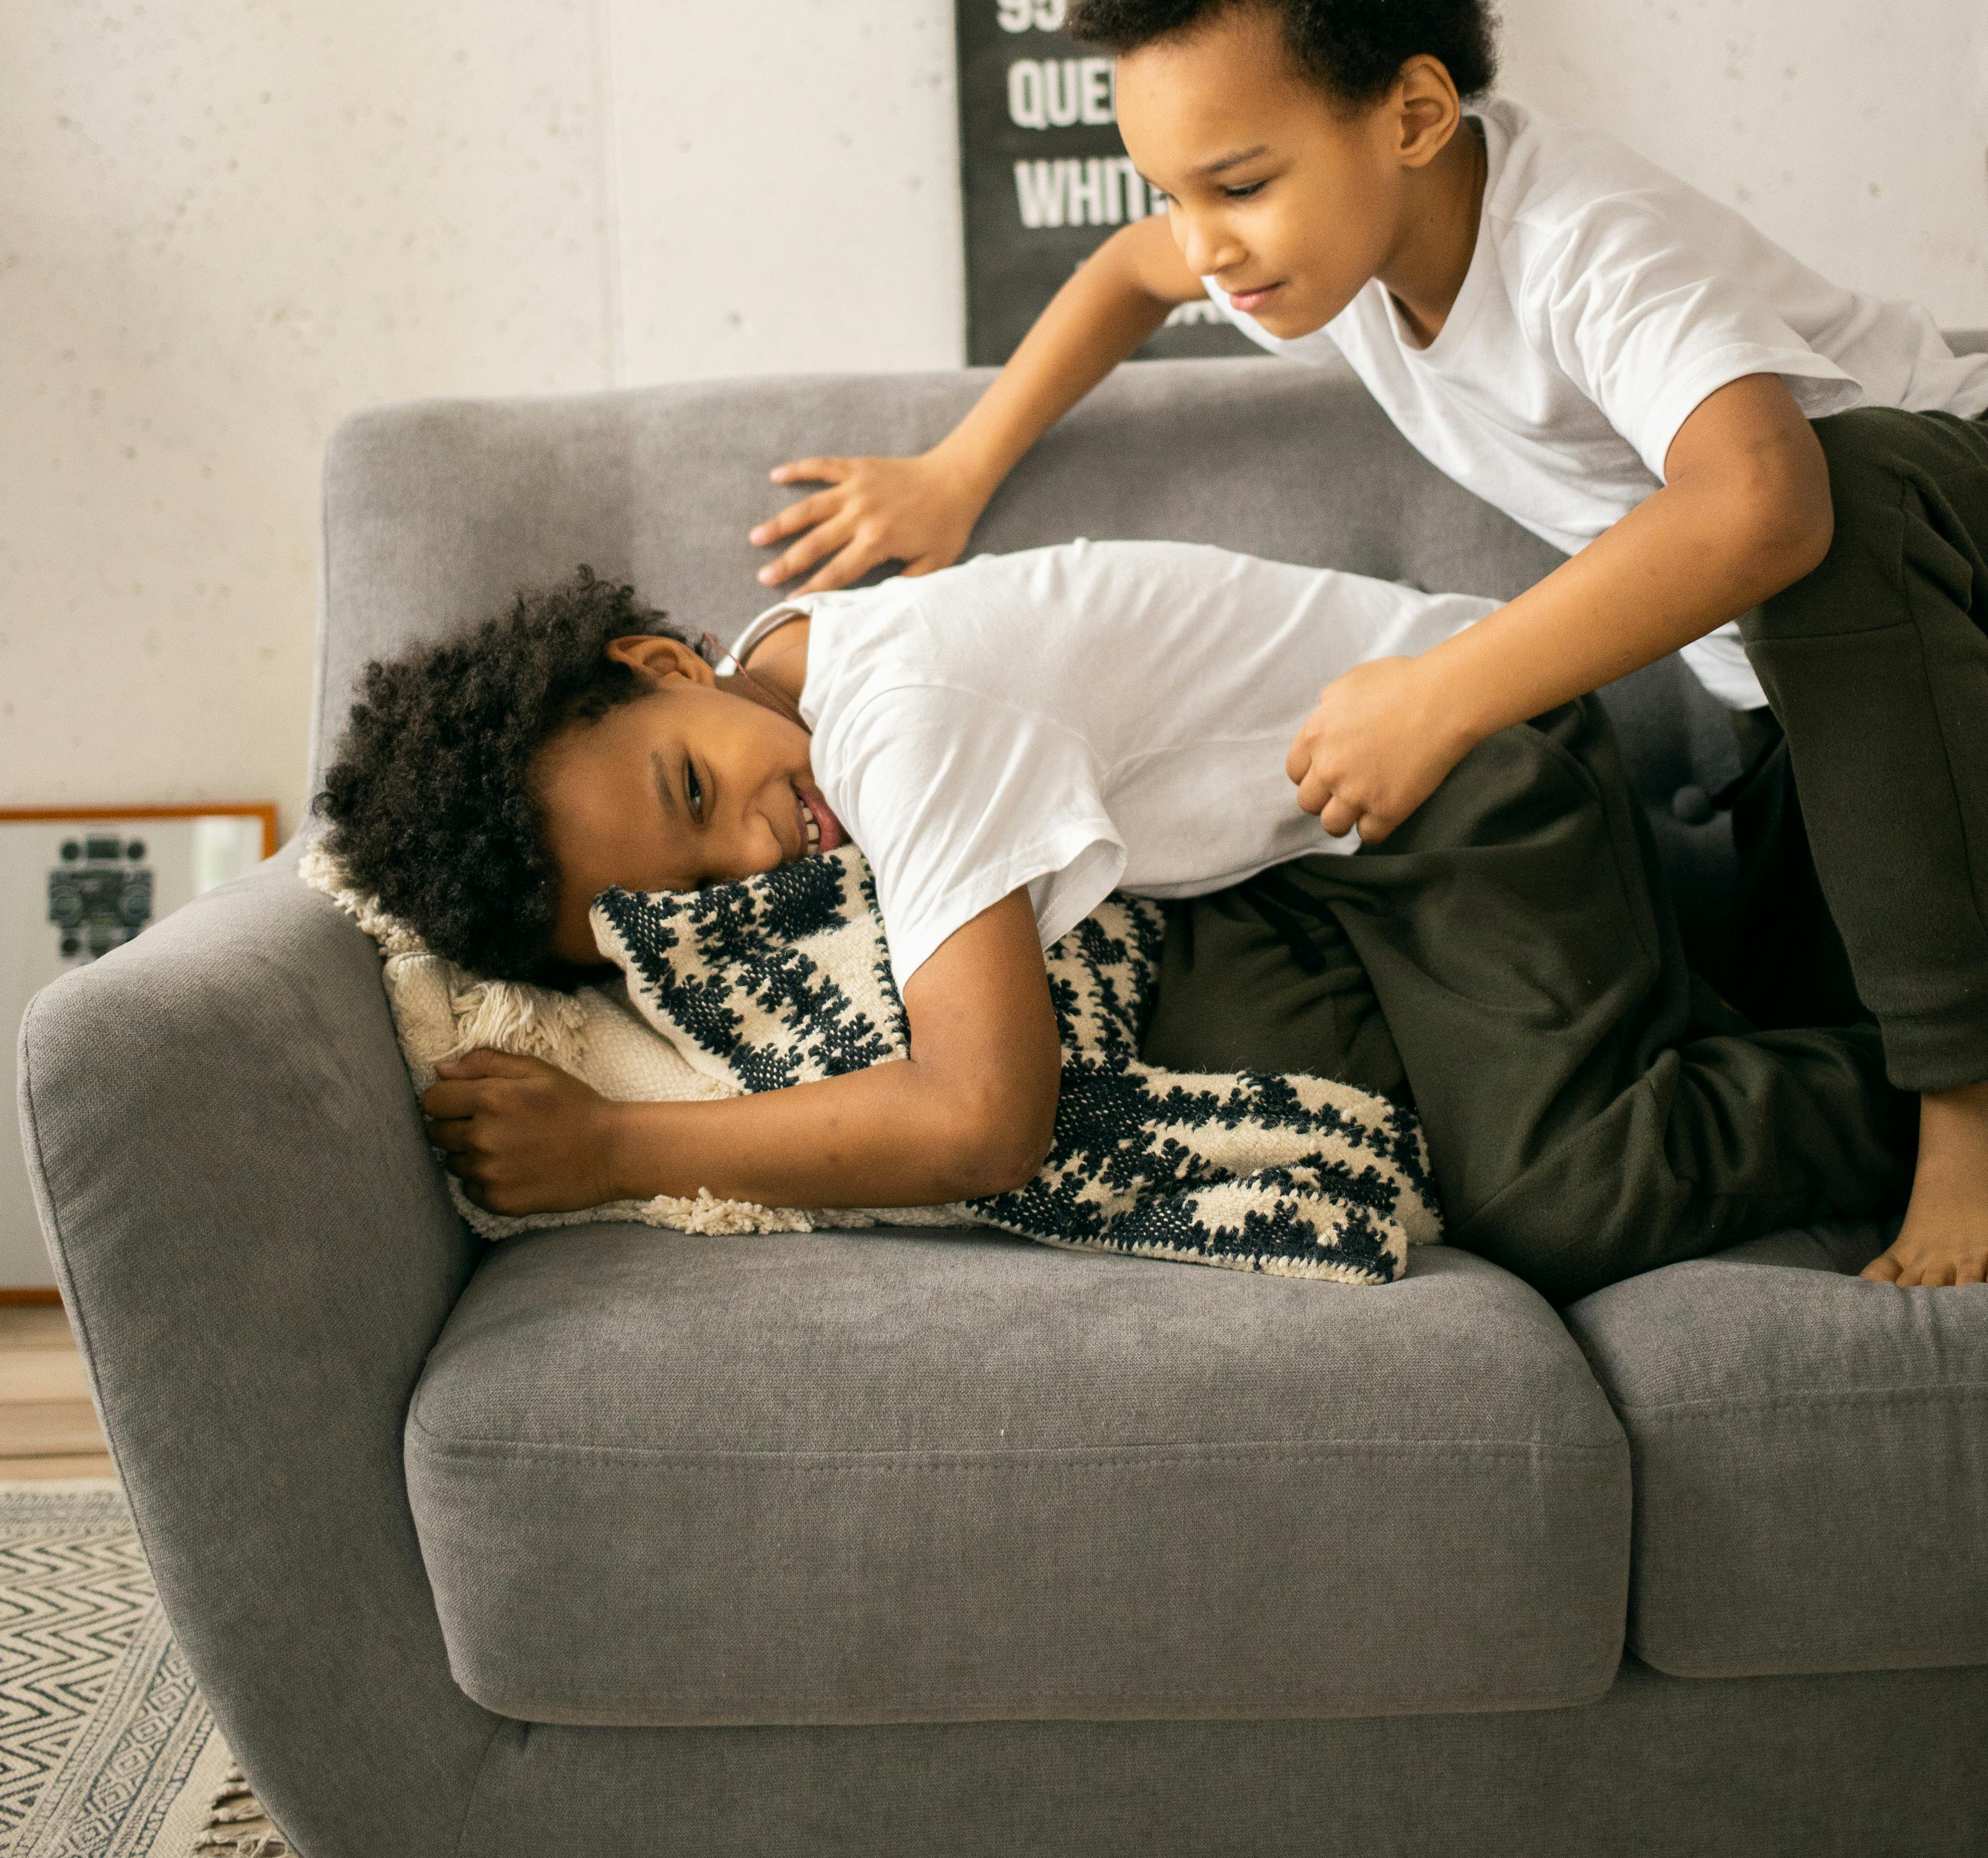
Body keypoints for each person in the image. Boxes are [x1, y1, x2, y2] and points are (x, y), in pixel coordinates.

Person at [743, 0, 1988, 1292]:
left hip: (1934, 546)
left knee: (1829, 495)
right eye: (1172, 188)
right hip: (1821, 712)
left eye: (1240, 182)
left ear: (1410, 115)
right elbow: (1135, 276)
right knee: (1780, 1013)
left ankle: (1971, 1125)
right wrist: (959, 472)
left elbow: (1768, 506)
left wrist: (1443, 693)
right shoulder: (1321, 254)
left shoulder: (1585, 243)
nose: (1205, 244)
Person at [318, 549, 1914, 1308]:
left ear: (667, 662)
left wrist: (617, 1153)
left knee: (1569, 1195)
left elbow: (983, 1118)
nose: (756, 851)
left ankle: (1920, 1093)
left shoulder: (900, 718)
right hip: (1325, 854)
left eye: (692, 789)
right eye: (689, 900)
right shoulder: (784, 698)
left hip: (1460, 770)